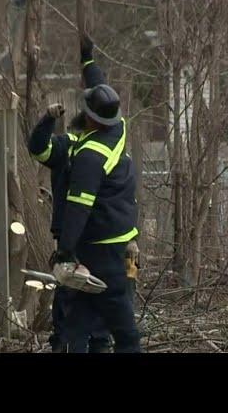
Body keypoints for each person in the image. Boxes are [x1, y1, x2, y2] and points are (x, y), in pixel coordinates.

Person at [51, 36, 141, 353]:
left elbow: (78, 207)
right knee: (85, 320)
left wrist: (64, 251)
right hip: (123, 243)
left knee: (120, 330)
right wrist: (88, 60)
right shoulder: (117, 128)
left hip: (101, 253)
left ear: (89, 117)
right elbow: (101, 90)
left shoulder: (90, 157)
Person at [27, 37, 114, 353]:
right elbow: (37, 148)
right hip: (73, 241)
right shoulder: (66, 148)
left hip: (99, 237)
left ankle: (96, 344)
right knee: (71, 302)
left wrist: (89, 60)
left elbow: (102, 95)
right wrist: (48, 119)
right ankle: (68, 344)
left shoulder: (106, 143)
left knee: (96, 303)